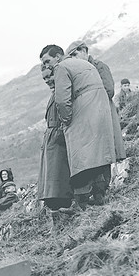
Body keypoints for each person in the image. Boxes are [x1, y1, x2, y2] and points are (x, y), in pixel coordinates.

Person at [40, 44, 117, 209]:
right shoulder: (85, 64)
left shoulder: (61, 67)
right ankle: (99, 195)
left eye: (47, 61)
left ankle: (81, 201)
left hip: (83, 113)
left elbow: (62, 100)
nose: (46, 66)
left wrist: (67, 120)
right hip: (100, 110)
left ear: (58, 57)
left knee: (81, 159)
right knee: (97, 156)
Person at [66, 40, 127, 166]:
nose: (73, 59)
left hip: (103, 110)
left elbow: (109, 89)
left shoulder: (99, 66)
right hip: (92, 113)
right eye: (70, 56)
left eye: (74, 54)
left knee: (106, 148)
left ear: (84, 51)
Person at [36, 67, 74, 214]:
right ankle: (53, 203)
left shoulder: (61, 92)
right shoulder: (54, 93)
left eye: (49, 77)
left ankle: (60, 202)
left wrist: (58, 133)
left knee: (58, 173)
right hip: (51, 139)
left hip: (58, 138)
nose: (47, 81)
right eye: (44, 79)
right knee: (51, 174)